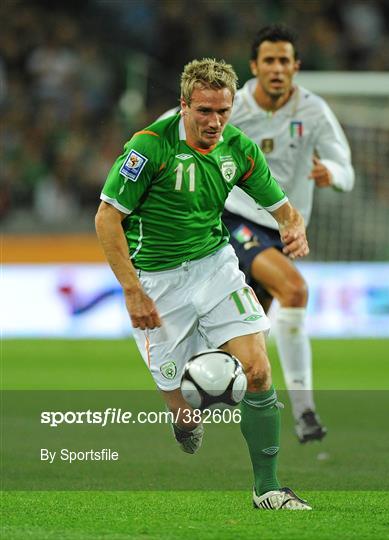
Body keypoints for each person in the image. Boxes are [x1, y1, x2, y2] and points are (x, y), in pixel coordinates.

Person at [95, 58, 312, 510]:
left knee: (257, 368)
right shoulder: (149, 148)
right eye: (205, 111)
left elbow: (282, 207)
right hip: (157, 282)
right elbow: (107, 218)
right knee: (189, 413)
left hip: (215, 267)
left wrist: (293, 226)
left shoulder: (239, 149)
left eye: (223, 111)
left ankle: (267, 489)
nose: (215, 122)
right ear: (184, 106)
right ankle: (185, 421)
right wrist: (133, 290)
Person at [224, 25, 355, 443]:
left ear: (296, 66)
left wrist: (330, 173)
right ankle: (306, 413)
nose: (277, 69)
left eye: (285, 61)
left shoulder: (313, 112)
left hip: (285, 229)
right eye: (269, 61)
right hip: (237, 220)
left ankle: (206, 395)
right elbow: (175, 126)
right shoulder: (233, 107)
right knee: (294, 291)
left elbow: (346, 170)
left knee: (250, 335)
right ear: (254, 67)